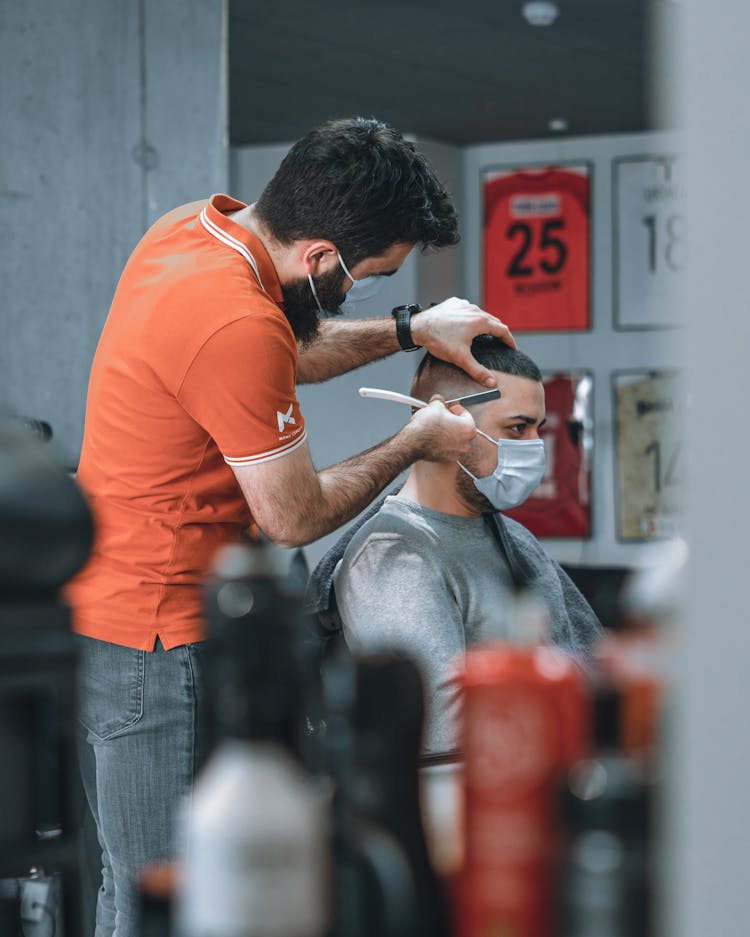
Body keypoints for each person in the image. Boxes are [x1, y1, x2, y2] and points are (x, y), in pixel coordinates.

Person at [66, 117, 515, 937]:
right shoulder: (235, 320)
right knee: (174, 901)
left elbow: (284, 351)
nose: (363, 291)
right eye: (368, 278)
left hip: (115, 618)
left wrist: (410, 328)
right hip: (164, 644)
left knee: (138, 894)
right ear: (319, 256)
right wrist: (414, 438)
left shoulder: (190, 231)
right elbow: (292, 515)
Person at [308, 337, 601, 756]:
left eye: (538, 428)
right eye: (517, 428)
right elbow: (446, 743)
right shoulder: (393, 558)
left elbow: (595, 672)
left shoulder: (515, 539)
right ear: (447, 426)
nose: (535, 447)